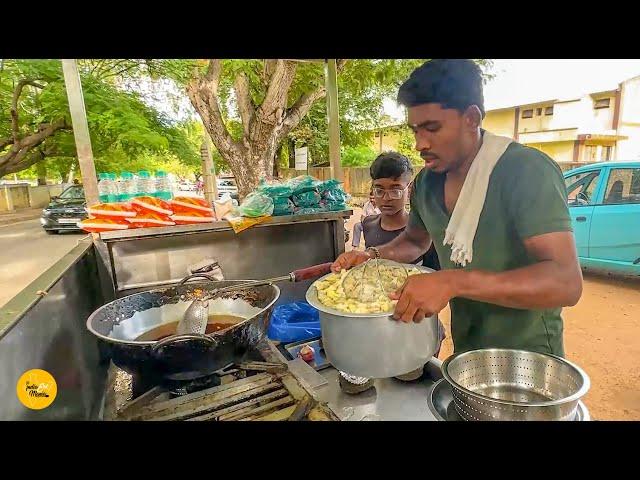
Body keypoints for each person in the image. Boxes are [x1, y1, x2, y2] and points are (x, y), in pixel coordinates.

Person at [332, 59, 582, 362]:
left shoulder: (526, 172)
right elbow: (414, 242)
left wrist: (452, 281)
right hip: (467, 353)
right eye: (414, 130)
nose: (419, 144)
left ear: (471, 118)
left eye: (432, 128)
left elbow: (565, 283)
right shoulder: (426, 182)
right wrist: (371, 257)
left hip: (529, 360)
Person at [338, 151, 444, 394]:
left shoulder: (424, 233)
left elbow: (435, 284)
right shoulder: (368, 225)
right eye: (379, 189)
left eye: (396, 189)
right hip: (377, 327)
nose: (387, 198)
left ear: (409, 190)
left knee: (411, 380)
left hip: (416, 327)